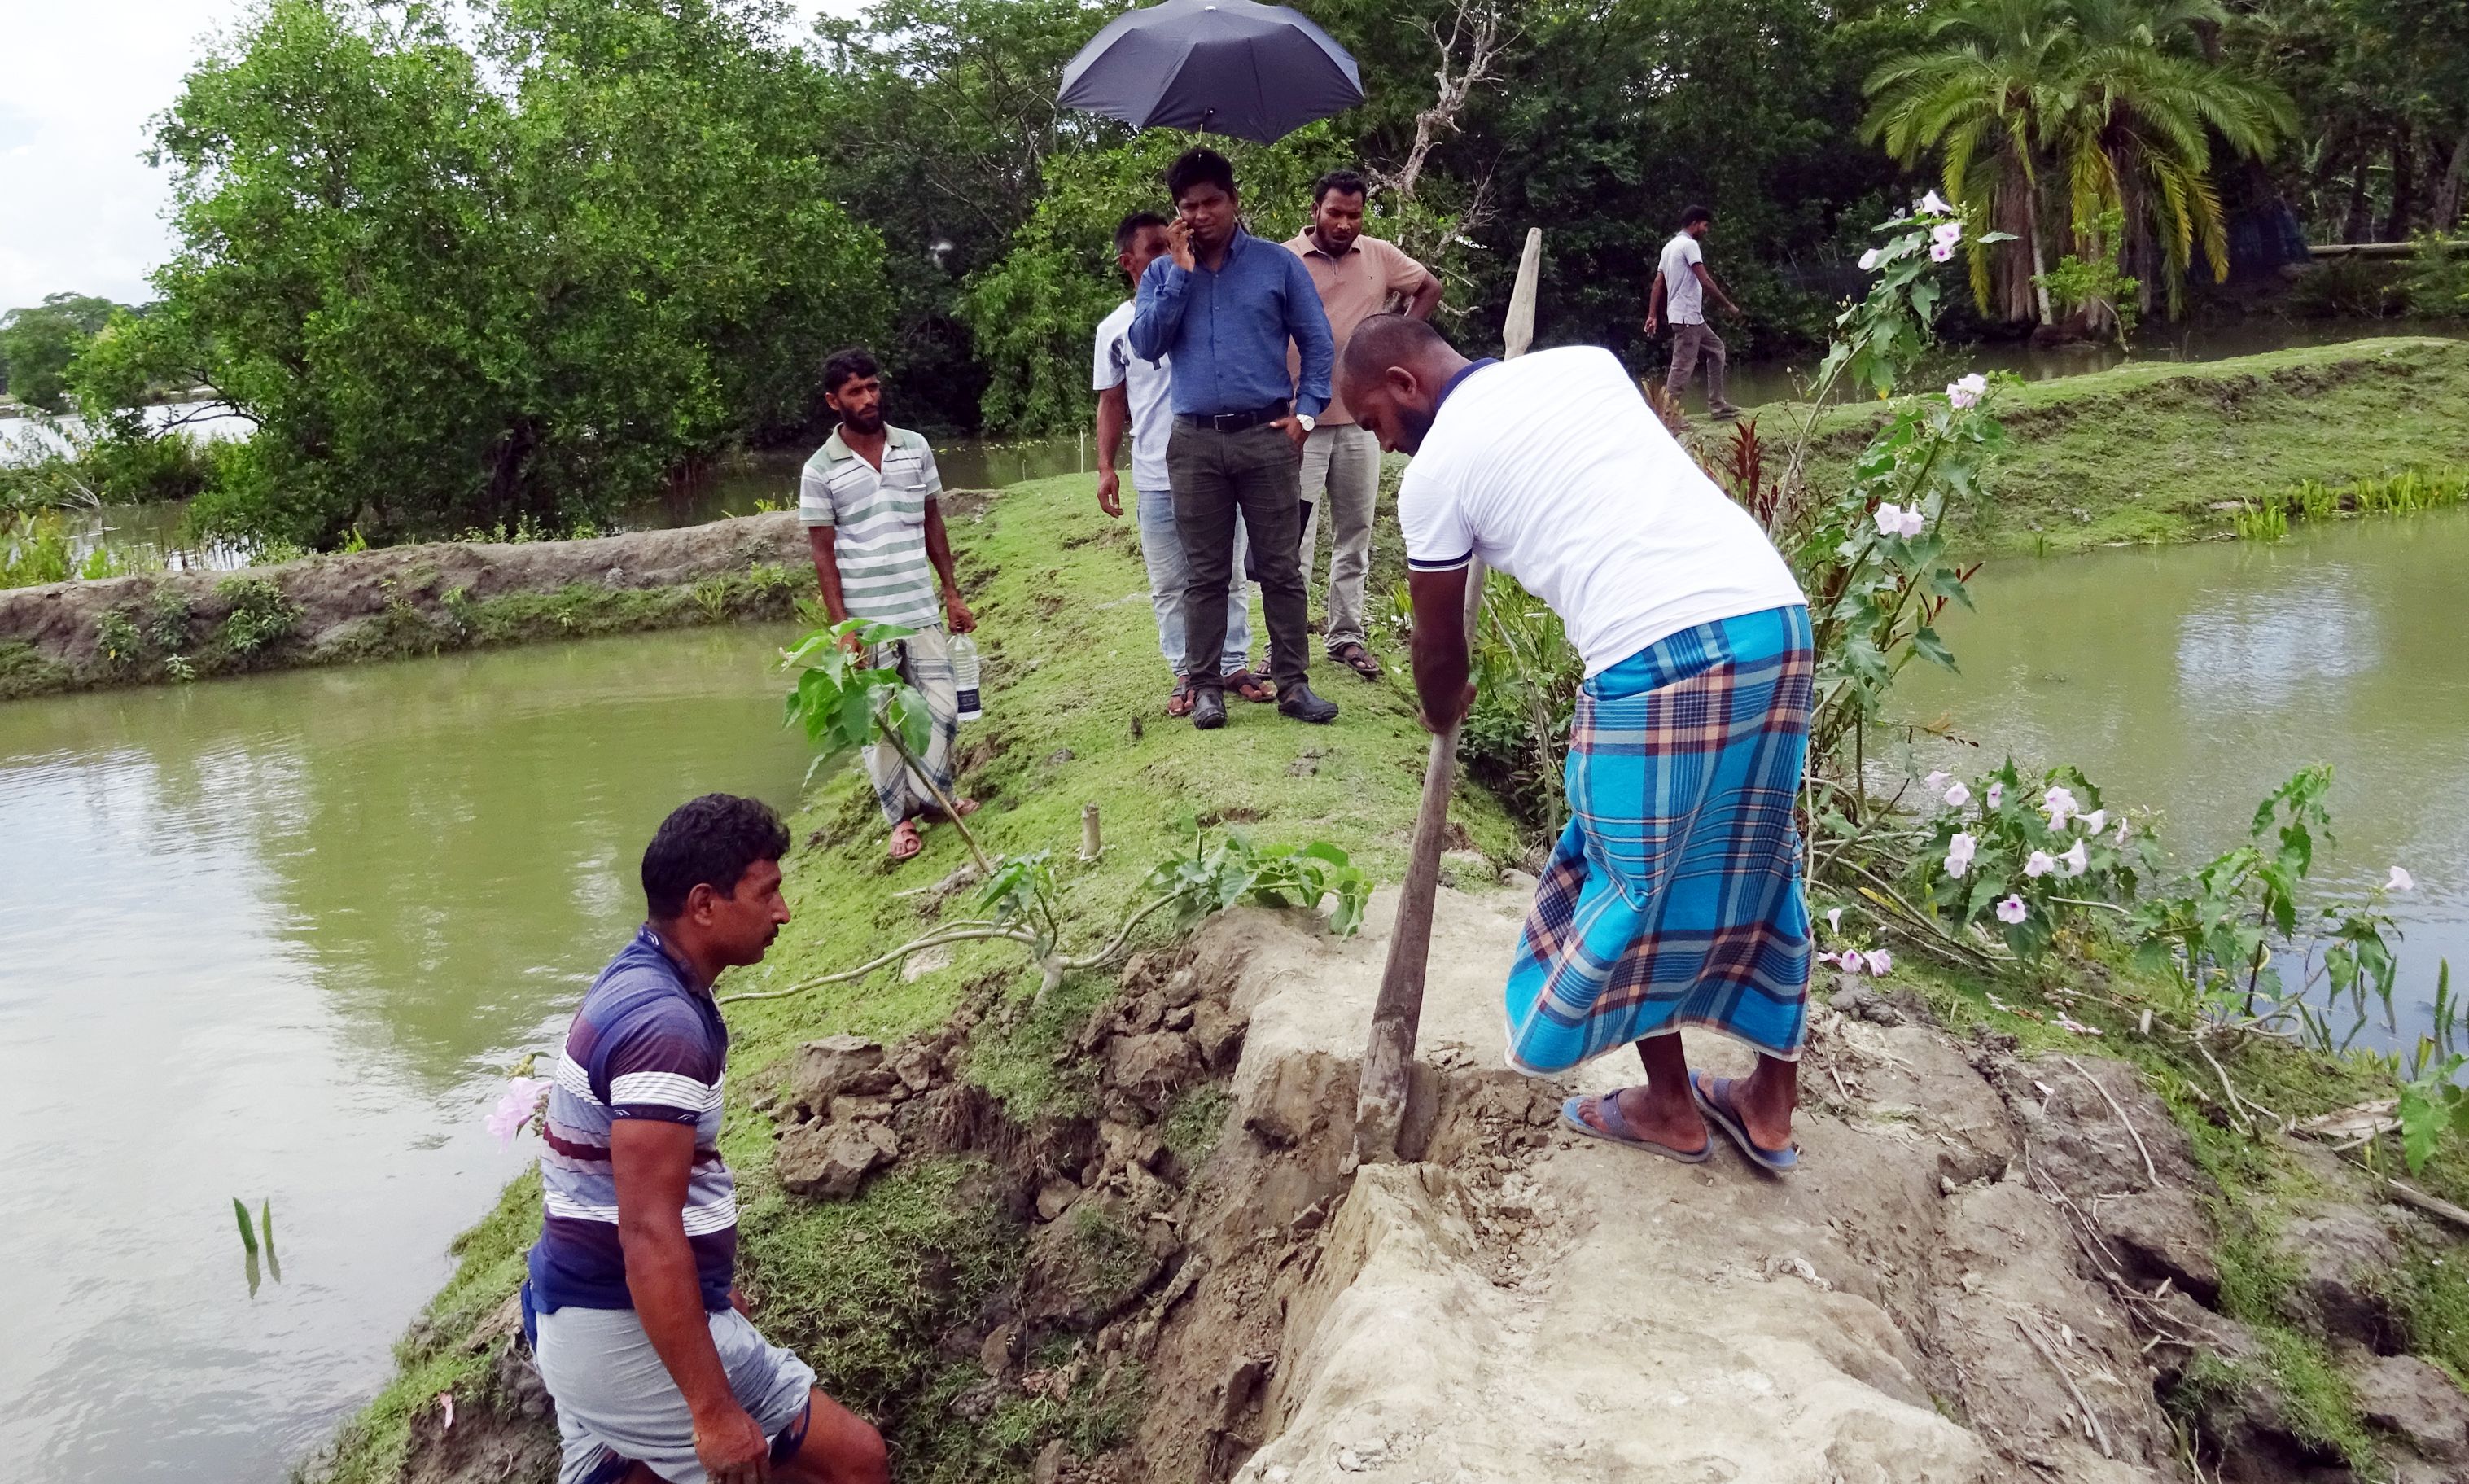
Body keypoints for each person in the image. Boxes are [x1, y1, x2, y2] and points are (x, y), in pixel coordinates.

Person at [1339, 314, 1815, 1173]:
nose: (1387, 444)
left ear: (1405, 385)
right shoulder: (1586, 365)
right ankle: (1768, 1104)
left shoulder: (1436, 474)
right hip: (1773, 620)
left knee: (1624, 879)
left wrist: (1442, 705)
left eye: (1375, 421)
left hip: (1658, 654)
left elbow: (1437, 646)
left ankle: (1672, 1105)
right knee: (1756, 856)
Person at [523, 794, 891, 1484]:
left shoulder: (640, 977)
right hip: (612, 1319)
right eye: (769, 891)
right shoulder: (664, 1026)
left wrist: (710, 1292)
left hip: (577, 1308)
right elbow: (647, 1229)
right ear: (703, 904)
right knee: (853, 1464)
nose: (784, 911)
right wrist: (712, 1406)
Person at [1129, 147, 1342, 732]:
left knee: (1279, 567)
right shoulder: (1160, 273)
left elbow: (1317, 341)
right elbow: (1145, 346)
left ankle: (1294, 684)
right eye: (1186, 206)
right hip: (1194, 442)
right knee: (1204, 572)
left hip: (1267, 436)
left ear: (1234, 201)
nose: (1199, 215)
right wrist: (1177, 272)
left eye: (1210, 202)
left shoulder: (1277, 264)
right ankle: (1205, 688)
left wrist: (1307, 412)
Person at [1093, 210, 1275, 716]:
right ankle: (1187, 672)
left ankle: (1232, 662)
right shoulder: (1116, 328)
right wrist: (1106, 466)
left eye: (1178, 242)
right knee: (1171, 581)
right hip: (1154, 473)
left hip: (1219, 463)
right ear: (1128, 262)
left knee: (1230, 572)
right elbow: (1111, 401)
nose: (1173, 252)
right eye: (1157, 248)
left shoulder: (1206, 305)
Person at [800, 348, 977, 862]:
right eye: (855, 391)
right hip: (866, 620)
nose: (868, 398)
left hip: (920, 605)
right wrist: (843, 631)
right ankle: (899, 821)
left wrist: (951, 590)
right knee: (879, 724)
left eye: (872, 387)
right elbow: (822, 555)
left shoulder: (915, 447)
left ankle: (937, 798)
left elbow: (932, 522)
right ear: (834, 401)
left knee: (942, 710)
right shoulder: (819, 470)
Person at [1285, 169, 1443, 681]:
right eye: (1335, 212)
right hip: (1300, 422)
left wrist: (1400, 337)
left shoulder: (1378, 255)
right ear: (1316, 211)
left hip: (1361, 424)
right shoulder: (1285, 259)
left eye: (1354, 214)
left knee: (1355, 532)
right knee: (1294, 537)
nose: (1345, 223)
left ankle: (1345, 637)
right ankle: (1285, 644)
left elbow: (1427, 286)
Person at [1644, 205, 1744, 420]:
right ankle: (1666, 417)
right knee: (1681, 367)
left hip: (1689, 317)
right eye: (1705, 225)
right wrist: (1728, 305)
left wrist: (1652, 315)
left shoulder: (1669, 247)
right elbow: (1705, 280)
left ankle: (1717, 405)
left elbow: (1657, 282)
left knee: (1717, 350)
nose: (1706, 230)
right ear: (1695, 223)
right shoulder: (1689, 245)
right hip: (1686, 317)